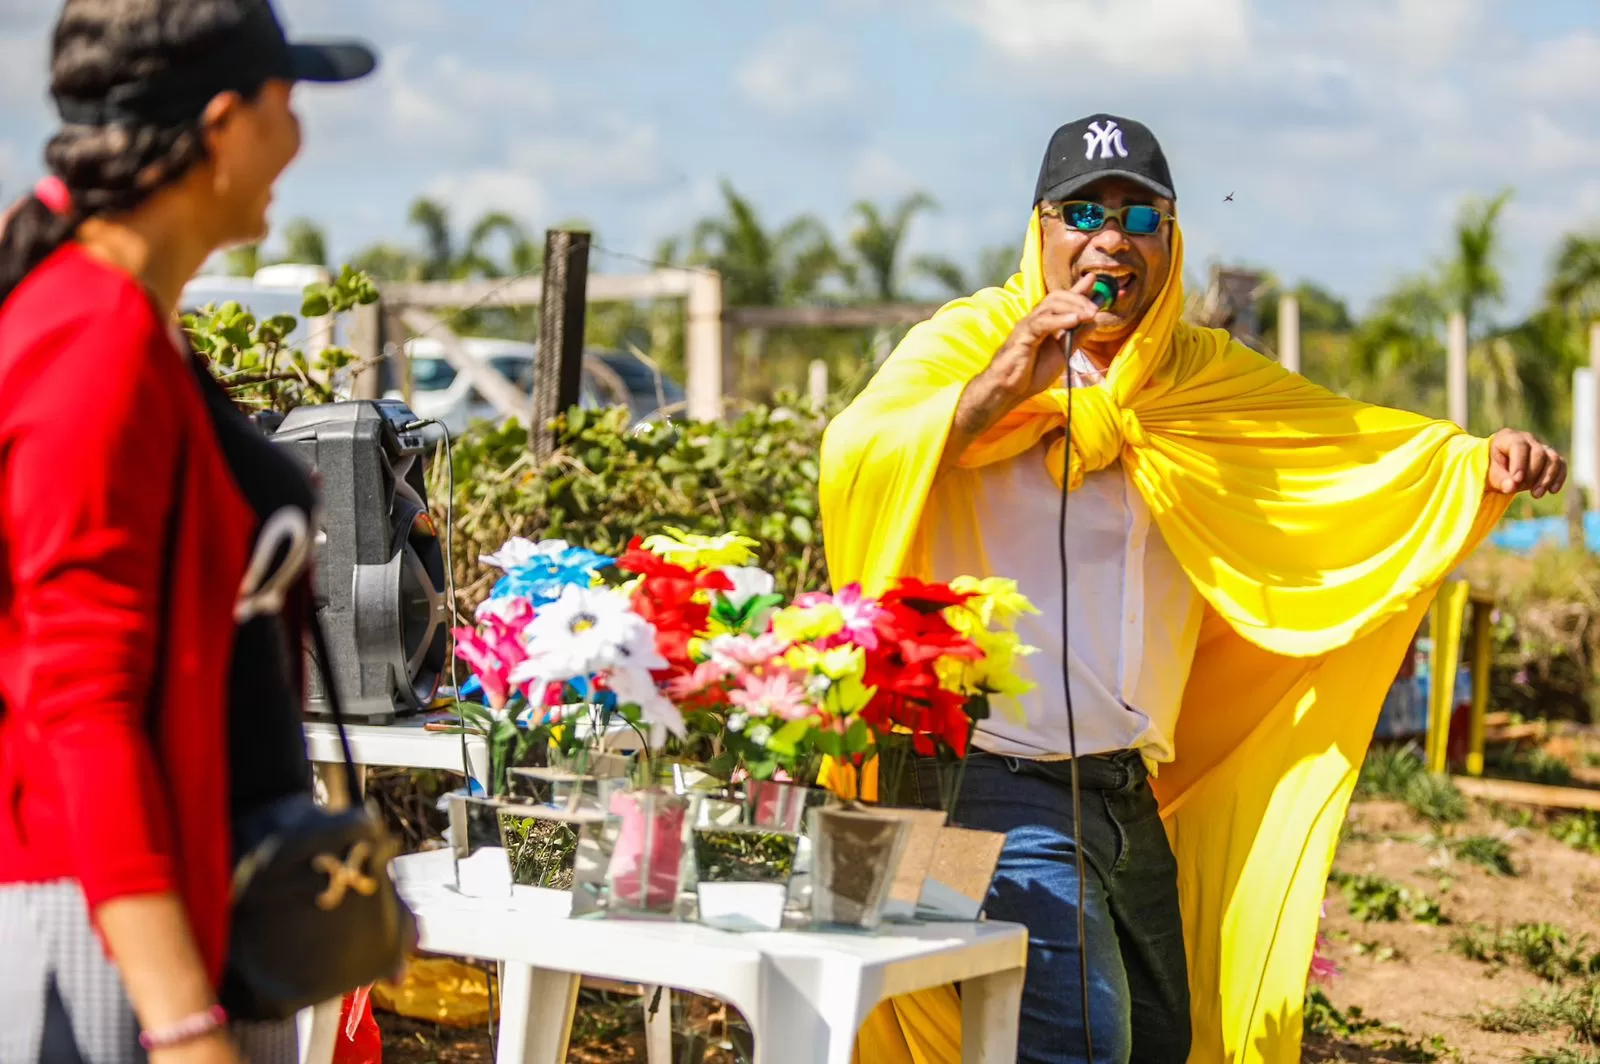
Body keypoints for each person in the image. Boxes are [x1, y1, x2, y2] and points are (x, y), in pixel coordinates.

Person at [820, 113, 1565, 1064]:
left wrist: (1473, 463)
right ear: (1039, 228)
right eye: (1083, 212)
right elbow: (861, 450)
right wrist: (1006, 382)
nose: (1111, 239)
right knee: (1078, 1046)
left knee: (1164, 1044)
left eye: (1141, 217)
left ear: (1170, 240)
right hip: (978, 783)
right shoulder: (970, 340)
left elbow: (1346, 445)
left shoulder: (1201, 380)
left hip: (1124, 795)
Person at [0, 2, 376, 1062]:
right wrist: (181, 1025)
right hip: (114, 937)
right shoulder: (92, 339)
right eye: (286, 101)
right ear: (222, 123)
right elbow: (83, 699)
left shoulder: (127, 320)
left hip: (179, 910)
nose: (298, 138)